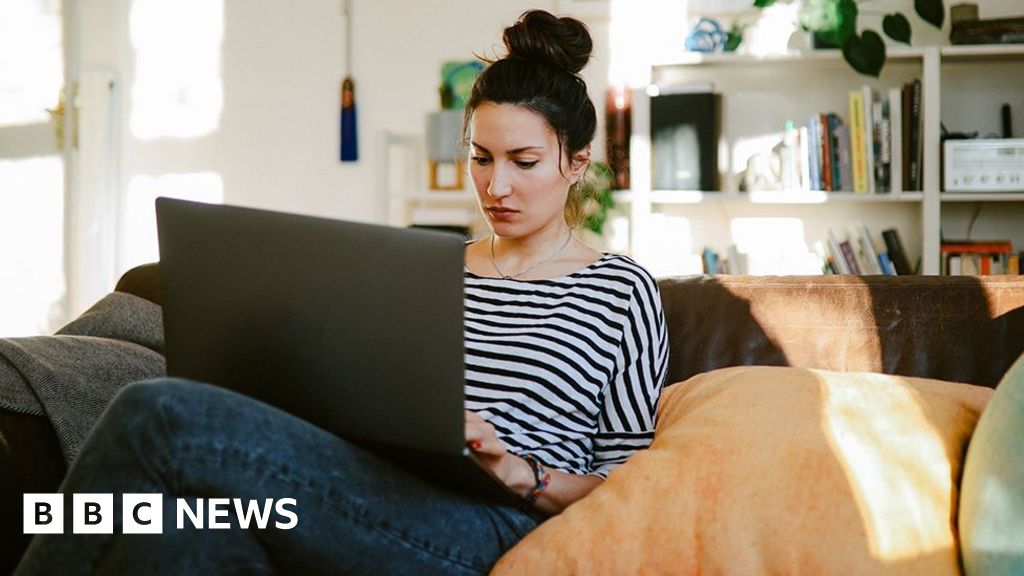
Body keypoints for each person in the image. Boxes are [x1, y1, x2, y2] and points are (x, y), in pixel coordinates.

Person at [16, 10, 668, 575]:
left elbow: (637, 490)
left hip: (489, 529)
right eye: (481, 157)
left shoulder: (621, 290)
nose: (496, 186)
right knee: (180, 533)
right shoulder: (426, 265)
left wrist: (517, 471)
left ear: (576, 162)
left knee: (158, 412)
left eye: (523, 162)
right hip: (366, 489)